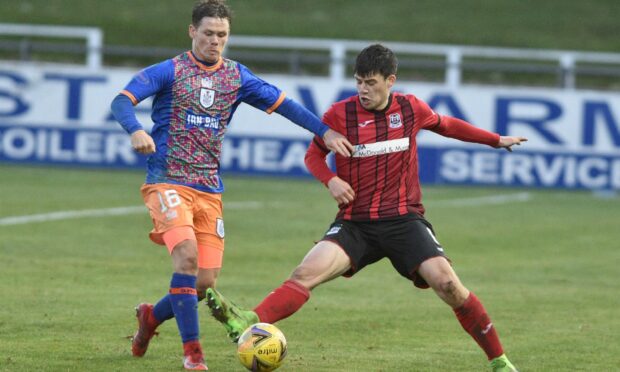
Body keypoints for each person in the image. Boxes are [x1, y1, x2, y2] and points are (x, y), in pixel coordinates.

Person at [205, 44, 525, 371]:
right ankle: (248, 321)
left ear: (390, 81)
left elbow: (447, 125)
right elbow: (313, 155)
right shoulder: (338, 115)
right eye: (359, 81)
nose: (363, 89)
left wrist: (495, 139)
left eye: (371, 82)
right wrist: (330, 179)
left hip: (404, 221)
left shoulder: (411, 109)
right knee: (304, 274)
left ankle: (499, 361)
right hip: (356, 223)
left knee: (448, 285)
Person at [110, 0, 353, 370]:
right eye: (208, 33)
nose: (215, 41)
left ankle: (150, 317)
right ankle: (194, 356)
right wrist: (136, 129)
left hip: (209, 189)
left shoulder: (237, 77)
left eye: (221, 35)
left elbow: (285, 105)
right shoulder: (169, 71)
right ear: (192, 31)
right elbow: (121, 100)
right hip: (167, 181)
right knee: (187, 259)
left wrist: (324, 131)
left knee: (203, 283)